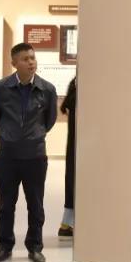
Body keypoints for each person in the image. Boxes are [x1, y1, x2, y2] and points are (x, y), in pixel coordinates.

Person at [0, 43, 58, 262]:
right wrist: (10, 134)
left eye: (32, 58)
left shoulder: (47, 89)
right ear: (14, 63)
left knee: (35, 204)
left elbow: (49, 121)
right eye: (25, 59)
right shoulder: (0, 88)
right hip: (7, 155)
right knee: (6, 204)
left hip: (35, 156)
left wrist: (34, 135)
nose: (31, 62)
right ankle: (5, 246)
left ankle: (35, 247)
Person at [59, 74, 77, 240]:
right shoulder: (79, 84)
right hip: (81, 146)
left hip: (77, 146)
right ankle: (67, 224)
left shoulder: (75, 83)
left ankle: (67, 224)